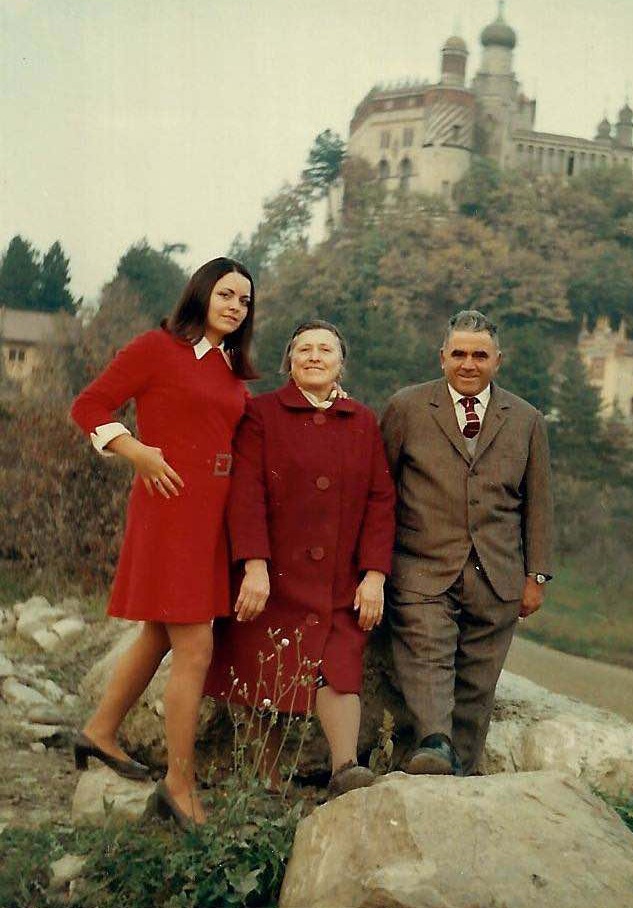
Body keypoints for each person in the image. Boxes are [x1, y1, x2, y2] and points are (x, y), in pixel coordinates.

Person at [70, 257, 257, 827]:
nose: (235, 306)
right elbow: (88, 406)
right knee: (195, 647)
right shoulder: (156, 348)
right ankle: (180, 783)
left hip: (213, 522)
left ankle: (100, 730)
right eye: (226, 293)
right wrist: (137, 452)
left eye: (245, 301)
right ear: (200, 294)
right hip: (169, 511)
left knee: (159, 634)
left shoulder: (231, 371)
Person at [205, 320, 395, 798]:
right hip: (271, 575)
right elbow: (243, 493)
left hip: (338, 581)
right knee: (260, 666)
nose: (314, 356)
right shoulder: (261, 415)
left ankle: (345, 769)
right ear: (289, 361)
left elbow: (381, 500)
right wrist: (253, 565)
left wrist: (373, 576)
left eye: (325, 349)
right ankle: (265, 779)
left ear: (340, 362)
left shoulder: (363, 421)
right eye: (304, 349)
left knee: (339, 662)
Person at [380, 309, 553, 777]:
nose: (469, 364)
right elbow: (380, 493)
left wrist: (535, 576)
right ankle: (434, 744)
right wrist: (374, 569)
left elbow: (538, 504)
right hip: (420, 567)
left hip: (497, 576)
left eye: (480, 355)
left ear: (499, 360)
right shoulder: (407, 409)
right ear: (442, 358)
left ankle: (459, 773)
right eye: (459, 353)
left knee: (477, 686)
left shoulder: (527, 420)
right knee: (427, 657)